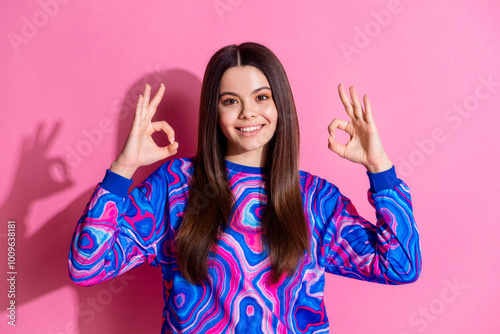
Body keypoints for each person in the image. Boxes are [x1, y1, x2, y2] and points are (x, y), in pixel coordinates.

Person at [69, 42, 421, 333]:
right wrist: (124, 168)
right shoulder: (177, 186)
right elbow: (86, 266)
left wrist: (380, 168)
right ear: (215, 112)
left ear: (280, 104)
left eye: (262, 97)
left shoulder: (316, 200)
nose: (248, 113)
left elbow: (401, 265)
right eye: (230, 101)